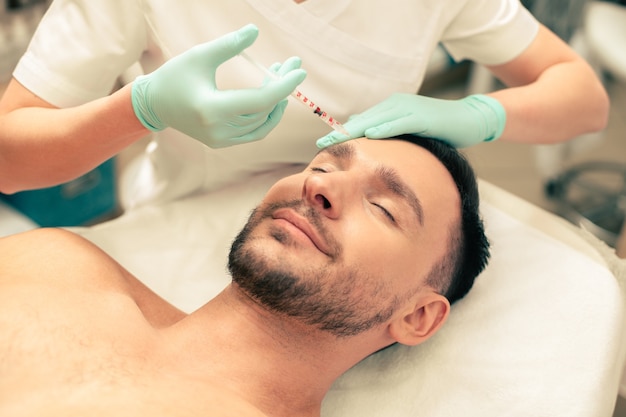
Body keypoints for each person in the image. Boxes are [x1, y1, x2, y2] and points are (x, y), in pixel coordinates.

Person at [0, 136, 489, 416]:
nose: (319, 185)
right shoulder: (56, 262)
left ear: (419, 316)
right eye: (322, 165)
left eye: (383, 207)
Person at [0, 0, 609, 208]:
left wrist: (478, 115)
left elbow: (582, 97)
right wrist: (141, 108)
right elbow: (9, 159)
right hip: (188, 210)